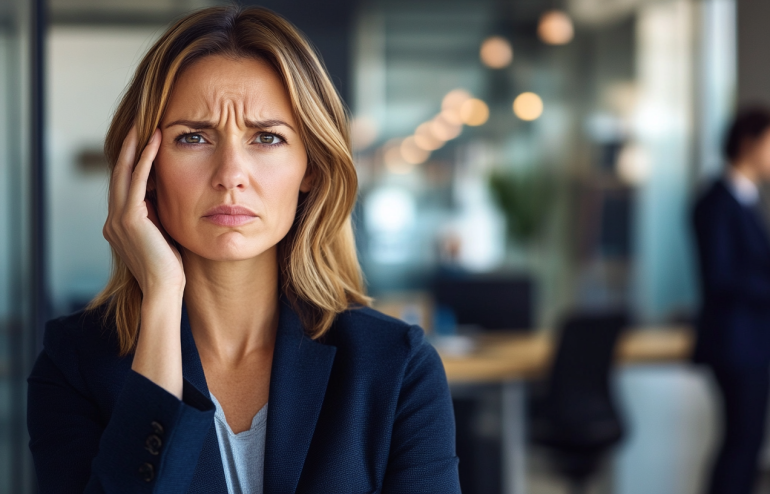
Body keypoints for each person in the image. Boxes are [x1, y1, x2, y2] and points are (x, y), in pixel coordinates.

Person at [26, 6, 460, 493]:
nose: (230, 173)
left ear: (310, 167)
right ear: (140, 170)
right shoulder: (74, 366)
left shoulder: (396, 368)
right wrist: (162, 299)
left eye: (267, 138)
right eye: (193, 137)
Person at [693, 106, 770, 494]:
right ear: (749, 143)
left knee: (747, 442)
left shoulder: (746, 200)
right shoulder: (716, 202)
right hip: (735, 344)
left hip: (752, 341)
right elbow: (722, 278)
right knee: (740, 444)